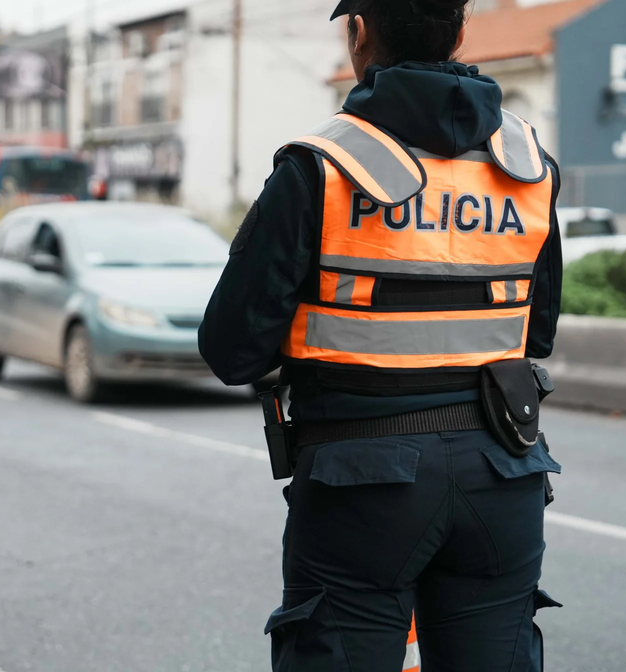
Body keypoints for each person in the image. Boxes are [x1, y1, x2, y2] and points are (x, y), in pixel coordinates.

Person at [199, 0, 565, 669]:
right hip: (503, 474)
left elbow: (231, 350)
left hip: (361, 486)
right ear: (459, 31)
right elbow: (535, 331)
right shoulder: (528, 164)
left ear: (359, 32)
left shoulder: (321, 165)